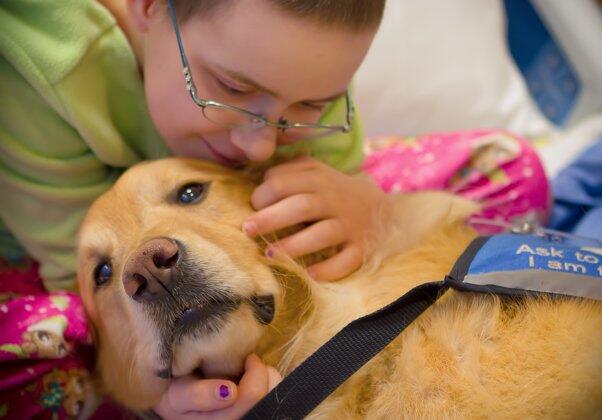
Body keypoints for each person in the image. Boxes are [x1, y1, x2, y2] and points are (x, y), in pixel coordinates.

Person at [0, 0, 388, 417]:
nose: (261, 148)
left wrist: (370, 207)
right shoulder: (41, 69)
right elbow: (81, 280)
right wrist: (162, 402)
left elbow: (348, 188)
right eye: (233, 89)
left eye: (311, 107)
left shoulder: (303, 71)